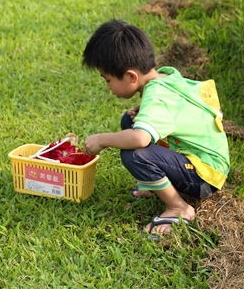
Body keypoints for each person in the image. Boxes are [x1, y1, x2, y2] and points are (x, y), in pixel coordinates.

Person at [82, 19, 230, 239]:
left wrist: (101, 140)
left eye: (108, 80)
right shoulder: (165, 77)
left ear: (131, 76)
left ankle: (179, 208)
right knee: (129, 122)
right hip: (204, 164)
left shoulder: (157, 96)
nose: (107, 86)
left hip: (205, 177)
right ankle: (156, 186)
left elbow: (141, 139)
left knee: (135, 154)